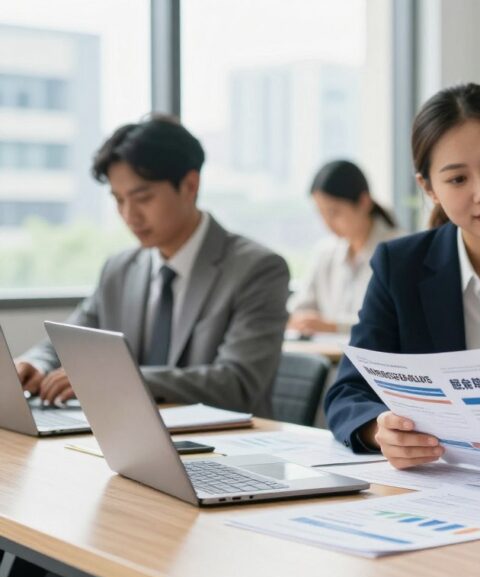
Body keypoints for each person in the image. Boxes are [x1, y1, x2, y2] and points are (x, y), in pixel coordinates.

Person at [324, 83, 480, 467]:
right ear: (428, 187)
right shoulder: (400, 267)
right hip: (438, 485)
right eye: (458, 179)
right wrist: (380, 431)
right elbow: (347, 392)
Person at [15, 115, 289, 417]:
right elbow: (66, 340)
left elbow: (238, 384)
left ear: (189, 185)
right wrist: (35, 363)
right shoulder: (120, 269)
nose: (129, 215)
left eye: (142, 198)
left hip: (223, 446)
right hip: (131, 436)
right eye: (118, 200)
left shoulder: (257, 269)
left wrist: (120, 380)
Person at [288, 160, 404, 336]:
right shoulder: (325, 251)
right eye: (321, 213)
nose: (327, 223)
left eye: (334, 212)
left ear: (364, 202)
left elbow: (393, 322)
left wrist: (333, 327)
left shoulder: (400, 249)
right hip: (325, 356)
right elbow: (299, 308)